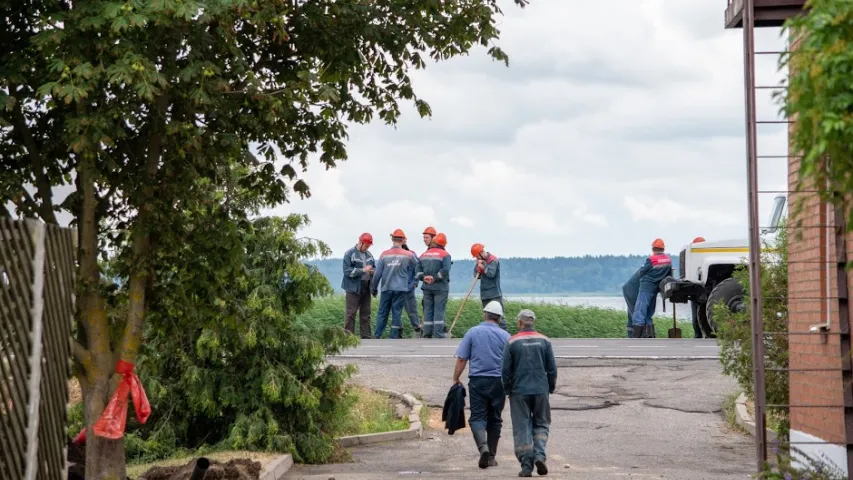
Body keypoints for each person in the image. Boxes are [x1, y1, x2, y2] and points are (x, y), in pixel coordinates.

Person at [452, 300, 511, 469]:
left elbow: (462, 358)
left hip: (477, 381)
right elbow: (510, 363)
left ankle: (482, 447)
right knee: (495, 419)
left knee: (477, 417)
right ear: (499, 318)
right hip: (499, 382)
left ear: (485, 314)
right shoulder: (506, 336)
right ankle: (491, 456)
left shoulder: (472, 332)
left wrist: (456, 378)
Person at [502, 309, 557, 477]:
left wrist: (507, 390)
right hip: (541, 390)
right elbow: (552, 369)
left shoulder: (511, 342)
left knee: (522, 426)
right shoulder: (545, 341)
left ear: (519, 323)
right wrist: (551, 387)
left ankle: (526, 466)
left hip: (519, 391)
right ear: (533, 322)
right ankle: (539, 455)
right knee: (541, 423)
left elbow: (505, 371)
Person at [371, 229, 418, 339]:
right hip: (401, 288)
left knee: (383, 312)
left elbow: (377, 274)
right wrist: (414, 282)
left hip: (386, 288)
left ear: (392, 239)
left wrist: (373, 288)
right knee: (396, 313)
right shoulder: (408, 255)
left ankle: (377, 335)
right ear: (403, 240)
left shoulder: (384, 255)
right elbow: (418, 266)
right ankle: (393, 337)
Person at [631, 238, 673, 338]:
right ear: (663, 249)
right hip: (657, 287)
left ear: (653, 248)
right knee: (649, 311)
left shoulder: (651, 259)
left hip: (647, 286)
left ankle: (636, 335)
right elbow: (669, 275)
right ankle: (650, 335)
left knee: (640, 309)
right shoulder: (668, 260)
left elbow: (642, 271)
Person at [416, 232, 451, 338]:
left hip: (427, 287)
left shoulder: (423, 255)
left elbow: (417, 271)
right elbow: (445, 270)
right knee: (439, 310)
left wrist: (424, 277)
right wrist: (434, 278)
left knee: (427, 310)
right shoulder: (445, 255)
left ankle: (427, 333)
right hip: (440, 287)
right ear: (444, 244)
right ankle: (439, 334)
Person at [341, 233, 376, 339]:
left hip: (366, 286)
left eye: (368, 246)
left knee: (366, 313)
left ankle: (366, 336)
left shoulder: (369, 255)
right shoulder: (349, 254)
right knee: (351, 313)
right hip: (353, 287)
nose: (367, 248)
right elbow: (347, 272)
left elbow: (374, 268)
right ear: (360, 243)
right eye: (366, 246)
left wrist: (373, 272)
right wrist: (363, 270)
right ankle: (348, 337)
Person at [471, 243, 507, 331]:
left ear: (481, 253)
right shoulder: (480, 261)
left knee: (499, 317)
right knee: (487, 317)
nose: (477, 258)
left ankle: (505, 336)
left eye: (477, 256)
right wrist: (478, 267)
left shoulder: (493, 260)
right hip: (484, 294)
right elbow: (476, 275)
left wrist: (483, 267)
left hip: (494, 294)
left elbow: (491, 274)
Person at [401, 236, 423, 337]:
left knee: (412, 311)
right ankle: (397, 332)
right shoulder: (394, 255)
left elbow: (417, 270)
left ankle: (417, 330)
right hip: (397, 289)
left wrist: (415, 283)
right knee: (396, 313)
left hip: (409, 288)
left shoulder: (412, 255)